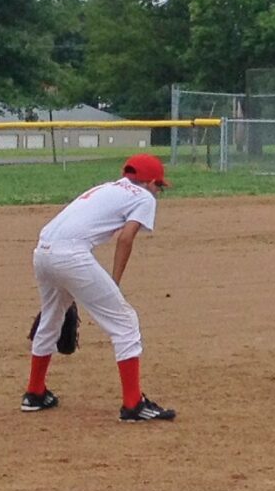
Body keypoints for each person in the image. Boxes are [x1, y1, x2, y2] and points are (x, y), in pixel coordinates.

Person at [22, 154, 177, 421]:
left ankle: (35, 393)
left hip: (43, 251)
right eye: (159, 186)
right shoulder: (143, 197)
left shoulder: (106, 187)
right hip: (70, 256)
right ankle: (133, 405)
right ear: (150, 182)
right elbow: (126, 238)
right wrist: (114, 283)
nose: (158, 192)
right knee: (125, 322)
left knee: (51, 317)